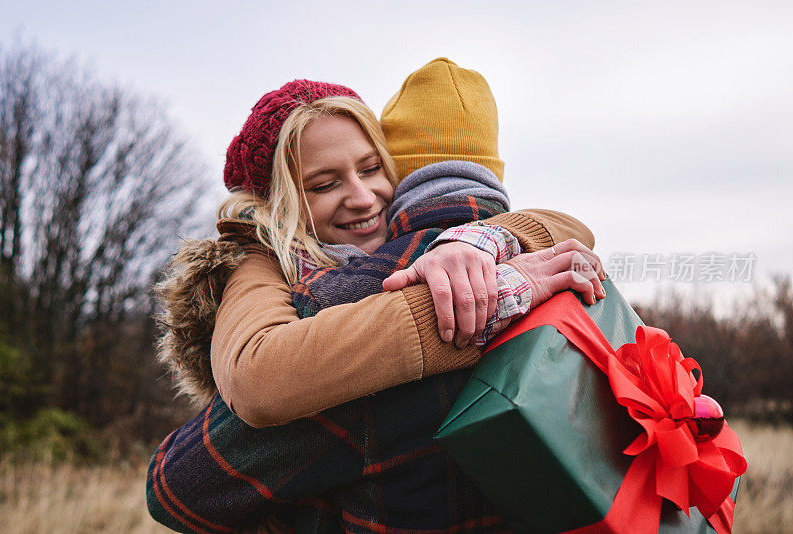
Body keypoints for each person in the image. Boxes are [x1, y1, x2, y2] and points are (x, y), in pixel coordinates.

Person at [148, 59, 605, 531]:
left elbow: (570, 228)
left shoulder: (421, 244)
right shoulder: (259, 267)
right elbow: (258, 378)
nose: (363, 196)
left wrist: (478, 240)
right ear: (277, 202)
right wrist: (491, 297)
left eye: (371, 169)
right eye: (324, 184)